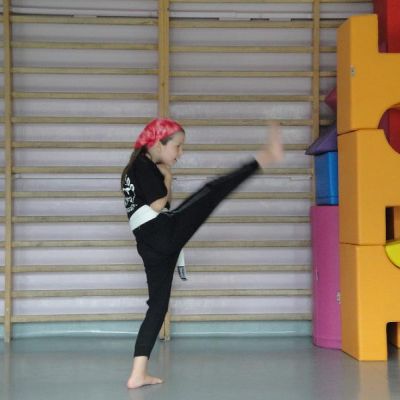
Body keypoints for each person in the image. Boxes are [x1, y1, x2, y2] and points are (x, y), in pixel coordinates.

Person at [121, 118, 283, 389]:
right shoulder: (143, 166)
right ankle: (267, 156)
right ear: (158, 143)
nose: (180, 153)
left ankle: (138, 374)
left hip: (149, 245)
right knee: (213, 190)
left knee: (157, 307)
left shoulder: (131, 170)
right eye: (177, 146)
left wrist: (165, 178)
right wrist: (167, 178)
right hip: (162, 232)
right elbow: (158, 205)